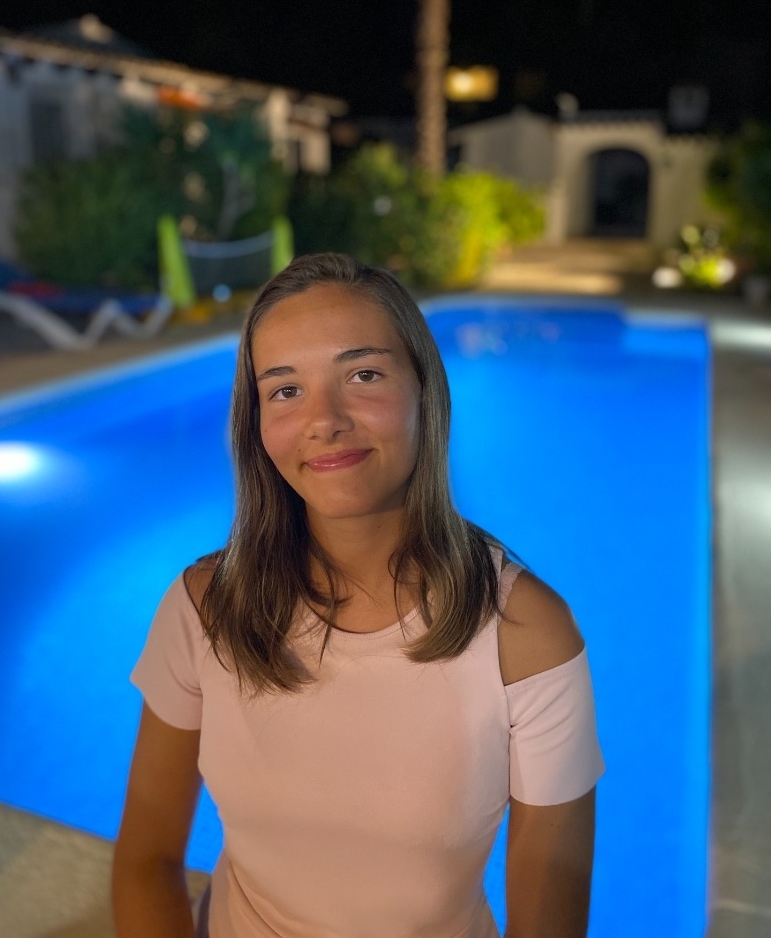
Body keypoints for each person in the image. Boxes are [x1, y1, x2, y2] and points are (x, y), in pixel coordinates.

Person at [112, 252, 605, 938]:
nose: (325, 420)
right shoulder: (205, 609)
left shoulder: (526, 636)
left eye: (363, 375)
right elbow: (146, 862)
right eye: (286, 390)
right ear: (256, 422)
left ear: (425, 390)